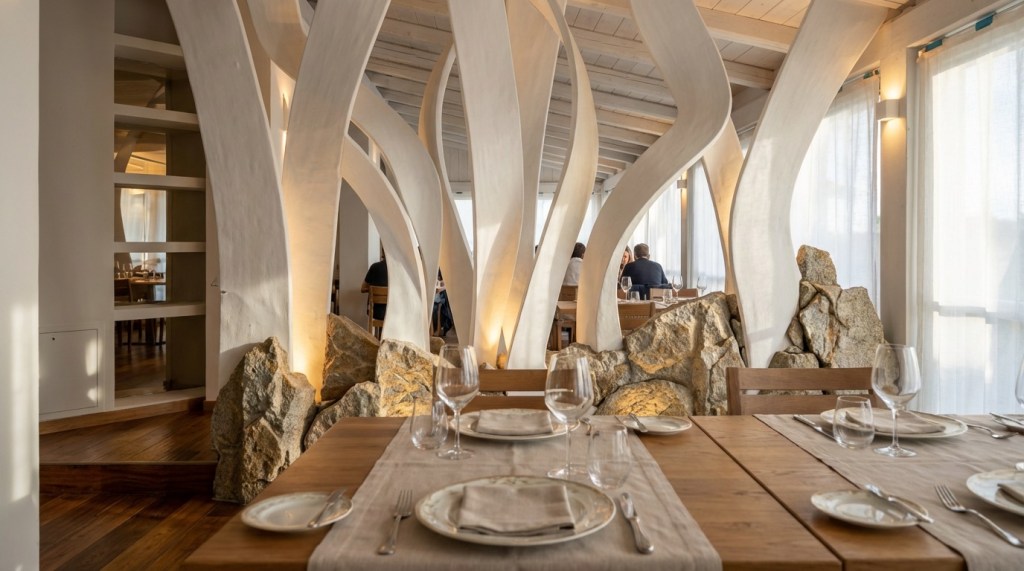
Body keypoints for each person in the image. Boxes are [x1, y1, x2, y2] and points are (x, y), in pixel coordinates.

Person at [361, 253, 388, 320]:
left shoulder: (374, 267)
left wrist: (373, 290)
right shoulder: (397, 269)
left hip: (375, 313)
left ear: (383, 254)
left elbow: (363, 288)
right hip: (392, 313)